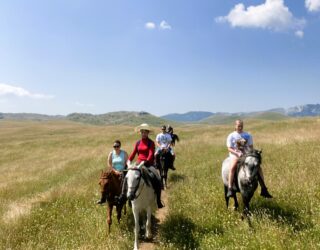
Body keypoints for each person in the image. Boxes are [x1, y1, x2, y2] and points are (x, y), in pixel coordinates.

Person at [118, 123, 164, 208]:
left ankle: (158, 200)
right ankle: (124, 196)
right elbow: (133, 153)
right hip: (138, 163)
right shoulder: (138, 143)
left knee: (156, 178)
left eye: (145, 132)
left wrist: (145, 162)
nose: (144, 134)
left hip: (148, 164)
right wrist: (128, 161)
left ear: (148, 133)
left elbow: (150, 154)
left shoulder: (151, 143)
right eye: (142, 132)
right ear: (140, 133)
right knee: (127, 176)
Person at [226, 119, 273, 198]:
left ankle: (264, 188)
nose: (240, 127)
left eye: (241, 126)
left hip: (246, 155)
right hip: (235, 154)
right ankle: (230, 188)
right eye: (238, 126)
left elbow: (251, 147)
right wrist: (237, 153)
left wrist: (249, 153)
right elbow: (229, 148)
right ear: (235, 126)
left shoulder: (247, 135)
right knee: (233, 167)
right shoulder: (231, 135)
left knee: (258, 167)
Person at [96, 140, 128, 205]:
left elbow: (127, 162)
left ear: (120, 146)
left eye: (117, 146)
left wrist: (122, 171)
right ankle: (103, 198)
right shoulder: (111, 153)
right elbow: (109, 163)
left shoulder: (124, 153)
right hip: (113, 171)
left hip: (122, 171)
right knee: (104, 182)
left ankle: (127, 197)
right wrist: (115, 171)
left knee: (128, 182)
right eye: (114, 146)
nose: (116, 148)